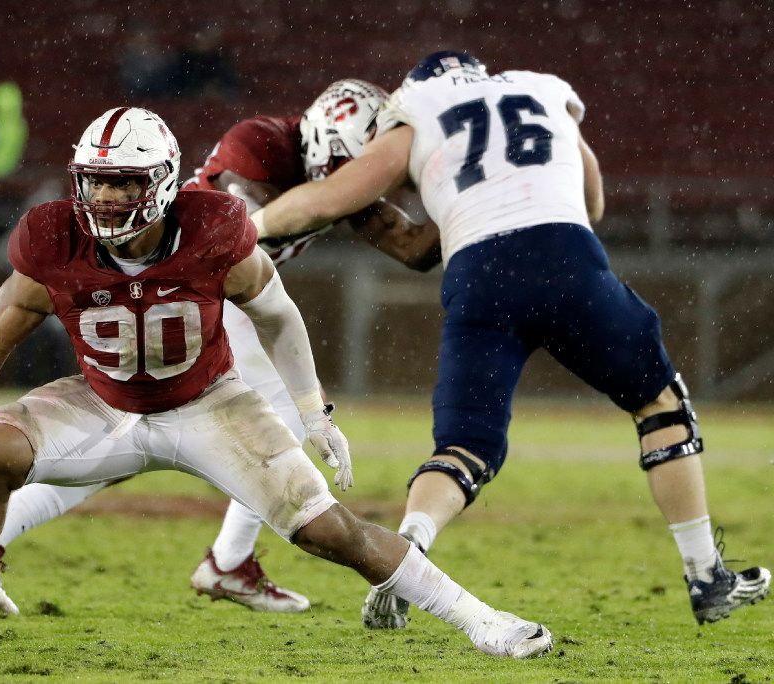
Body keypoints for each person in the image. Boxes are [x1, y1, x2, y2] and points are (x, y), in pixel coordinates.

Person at [0, 106, 553, 658]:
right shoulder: (52, 235)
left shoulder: (215, 228)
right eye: (96, 182)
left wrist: (312, 409)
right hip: (102, 401)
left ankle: (483, 622)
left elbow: (277, 315)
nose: (106, 199)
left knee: (333, 533)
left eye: (123, 183)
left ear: (164, 183)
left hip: (211, 405)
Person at [250, 52, 771, 630]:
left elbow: (336, 195)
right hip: (565, 254)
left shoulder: (419, 109)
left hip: (478, 274)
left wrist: (253, 226)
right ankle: (706, 575)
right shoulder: (541, 89)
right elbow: (593, 200)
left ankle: (408, 551)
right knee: (660, 404)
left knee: (465, 447)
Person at [0, 78, 441, 618]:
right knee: (280, 420)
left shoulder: (337, 179)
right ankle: (228, 563)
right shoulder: (263, 141)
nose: (360, 178)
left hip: (214, 300)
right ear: (324, 138)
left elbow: (415, 250)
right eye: (355, 163)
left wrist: (452, 185)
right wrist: (329, 201)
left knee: (119, 450)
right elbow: (238, 226)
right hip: (183, 294)